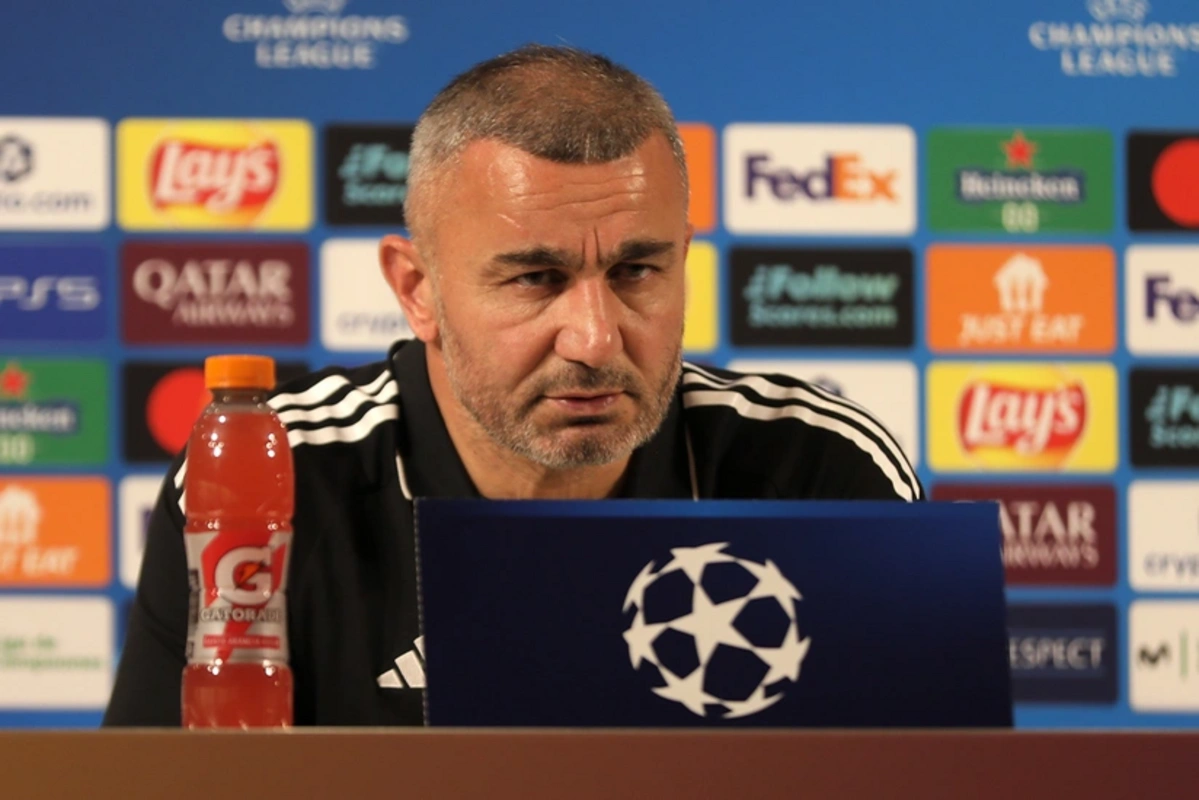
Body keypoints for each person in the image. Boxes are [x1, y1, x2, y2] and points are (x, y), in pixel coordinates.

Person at [103, 44, 922, 727]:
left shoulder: (820, 472)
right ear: (417, 290)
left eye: (637, 271)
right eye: (535, 278)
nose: (595, 338)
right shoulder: (276, 469)